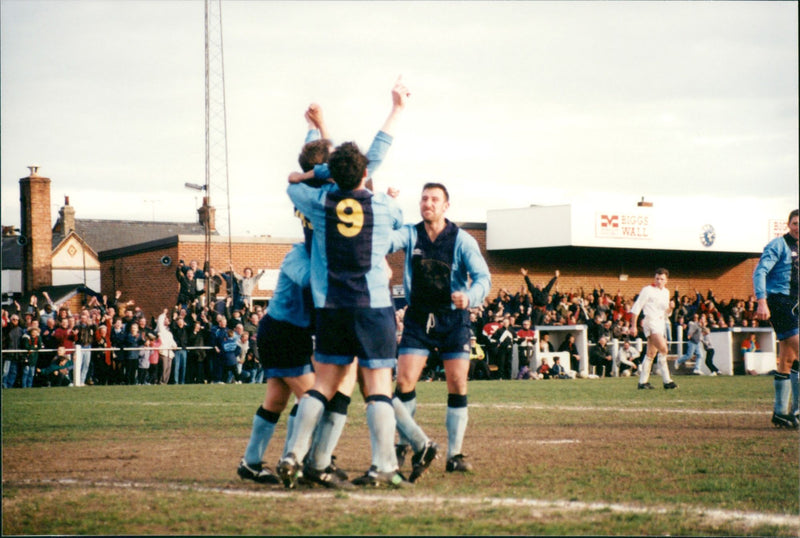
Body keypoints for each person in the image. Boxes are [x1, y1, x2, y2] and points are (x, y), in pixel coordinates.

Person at [389, 182, 492, 479]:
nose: (428, 203)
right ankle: (404, 443)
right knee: (405, 380)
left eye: (435, 199)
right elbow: (385, 241)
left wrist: (470, 297)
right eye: (424, 199)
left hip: (452, 319)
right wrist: (388, 207)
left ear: (446, 206)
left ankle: (454, 455)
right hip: (419, 318)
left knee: (458, 383)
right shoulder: (410, 233)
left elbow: (483, 277)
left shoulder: (462, 240)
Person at [753, 209, 799, 428]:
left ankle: (781, 413)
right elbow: (760, 271)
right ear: (788, 224)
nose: (798, 227)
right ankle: (797, 412)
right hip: (780, 303)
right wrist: (761, 300)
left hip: (796, 305)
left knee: (788, 359)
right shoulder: (778, 245)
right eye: (795, 223)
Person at [628, 268, 678, 390]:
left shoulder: (666, 292)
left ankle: (642, 382)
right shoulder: (647, 290)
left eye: (662, 279)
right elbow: (637, 307)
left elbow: (666, 312)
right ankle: (667, 381)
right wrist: (633, 325)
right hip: (650, 322)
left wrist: (671, 308)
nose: (659, 281)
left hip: (661, 323)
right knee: (663, 348)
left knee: (651, 353)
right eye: (657, 278)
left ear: (666, 280)